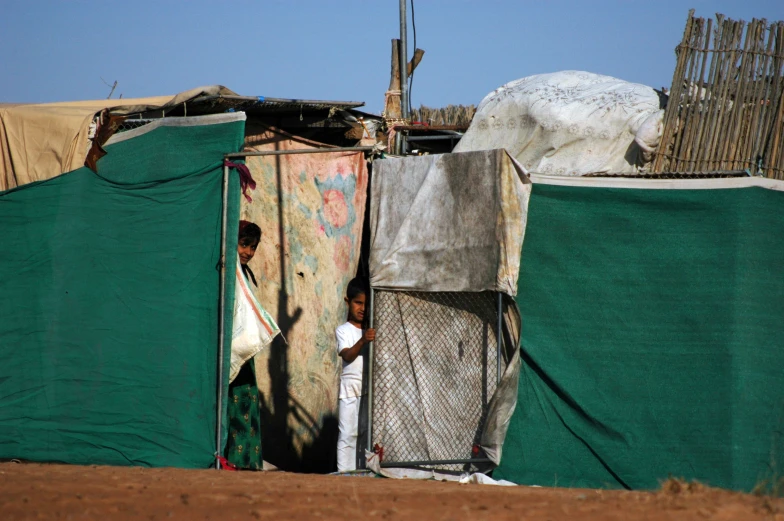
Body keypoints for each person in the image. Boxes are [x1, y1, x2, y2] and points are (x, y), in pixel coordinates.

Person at [225, 220, 263, 470]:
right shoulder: (229, 273)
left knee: (247, 401)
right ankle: (234, 461)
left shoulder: (240, 273)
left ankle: (248, 462)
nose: (248, 252)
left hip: (244, 352)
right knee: (235, 404)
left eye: (253, 247)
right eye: (244, 245)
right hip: (231, 349)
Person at [335, 277, 375, 472]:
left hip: (367, 389)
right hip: (350, 389)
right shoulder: (343, 330)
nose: (362, 308)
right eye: (358, 303)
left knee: (364, 433)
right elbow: (348, 355)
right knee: (347, 434)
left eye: (366, 304)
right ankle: (345, 474)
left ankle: (361, 472)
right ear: (348, 302)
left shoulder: (370, 332)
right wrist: (362, 342)